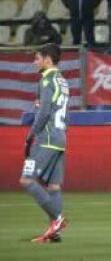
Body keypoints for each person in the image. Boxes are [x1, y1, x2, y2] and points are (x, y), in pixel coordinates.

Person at [21, 44, 69, 243]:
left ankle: (57, 219)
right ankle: (55, 232)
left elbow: (44, 112)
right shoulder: (63, 81)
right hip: (60, 138)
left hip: (47, 137)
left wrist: (30, 135)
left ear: (48, 59)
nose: (34, 62)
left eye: (37, 58)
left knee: (27, 180)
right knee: (54, 186)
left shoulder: (46, 79)